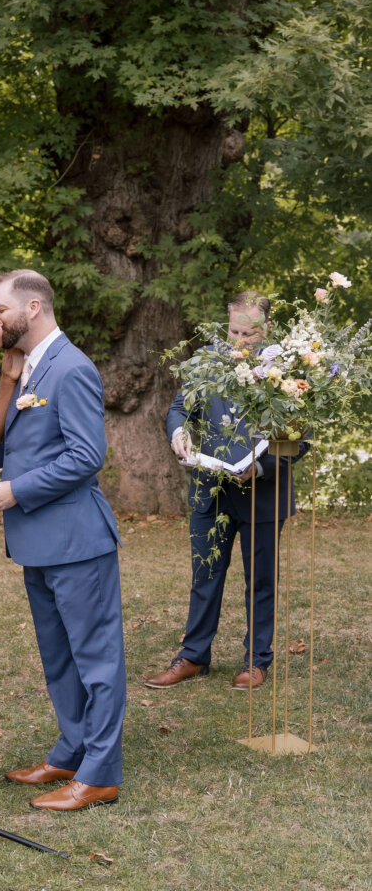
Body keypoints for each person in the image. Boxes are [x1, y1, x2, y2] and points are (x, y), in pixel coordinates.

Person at [0, 269, 125, 812]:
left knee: (96, 660)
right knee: (58, 658)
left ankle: (100, 774)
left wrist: (15, 491)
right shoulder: (27, 370)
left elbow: (87, 456)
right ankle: (71, 750)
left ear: (34, 306)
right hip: (38, 543)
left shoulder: (71, 369)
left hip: (77, 540)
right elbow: (20, 444)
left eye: (1, 309)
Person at [145, 291, 308, 692]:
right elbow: (180, 408)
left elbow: (299, 440)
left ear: (266, 329)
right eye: (234, 330)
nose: (239, 340)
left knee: (261, 582)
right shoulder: (207, 363)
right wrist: (178, 431)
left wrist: (262, 468)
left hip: (264, 494)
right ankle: (193, 657)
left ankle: (257, 660)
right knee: (204, 577)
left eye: (249, 333)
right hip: (210, 489)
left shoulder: (290, 370)